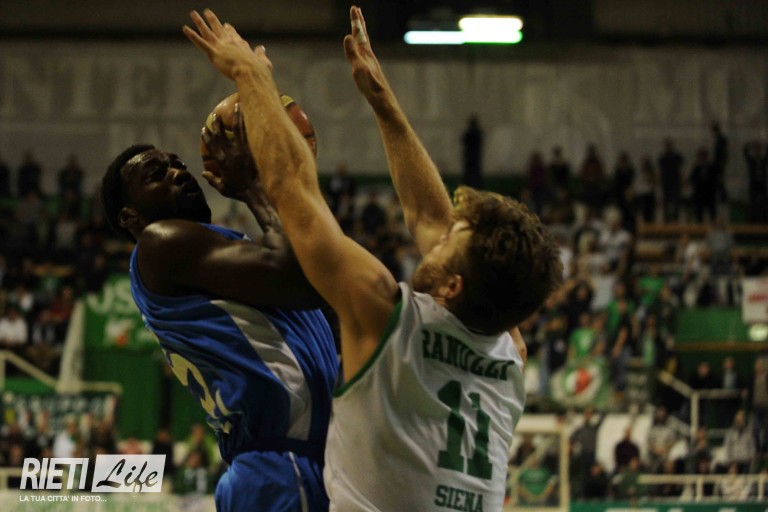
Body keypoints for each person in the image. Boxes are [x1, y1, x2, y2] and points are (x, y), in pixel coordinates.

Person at [183, 6, 563, 510]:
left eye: (451, 241)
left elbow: (291, 187)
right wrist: (383, 102)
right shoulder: (510, 351)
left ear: (452, 286)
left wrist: (250, 76)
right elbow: (430, 217)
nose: (439, 235)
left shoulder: (386, 319)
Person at [99, 95, 338, 510]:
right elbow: (300, 276)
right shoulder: (160, 243)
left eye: (178, 164)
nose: (178, 172)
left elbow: (320, 285)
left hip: (302, 460)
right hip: (280, 466)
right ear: (128, 217)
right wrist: (258, 187)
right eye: (157, 174)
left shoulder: (217, 256)